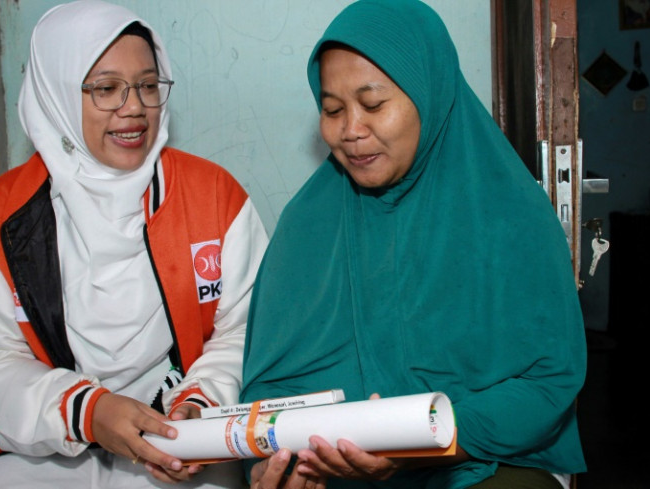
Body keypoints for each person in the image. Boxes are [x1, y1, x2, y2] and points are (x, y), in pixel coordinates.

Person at [240, 1, 587, 488]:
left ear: (430, 94)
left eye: (374, 104)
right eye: (332, 109)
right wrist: (276, 464)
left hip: (478, 458)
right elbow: (266, 391)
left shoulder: (508, 212)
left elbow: (547, 383)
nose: (351, 130)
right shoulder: (309, 223)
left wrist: (428, 442)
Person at [0, 1, 268, 488]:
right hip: (48, 441)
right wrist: (87, 412)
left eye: (148, 86)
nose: (133, 107)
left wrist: (201, 403)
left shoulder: (214, 196)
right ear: (57, 96)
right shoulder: (0, 219)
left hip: (178, 437)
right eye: (106, 89)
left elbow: (245, 329)